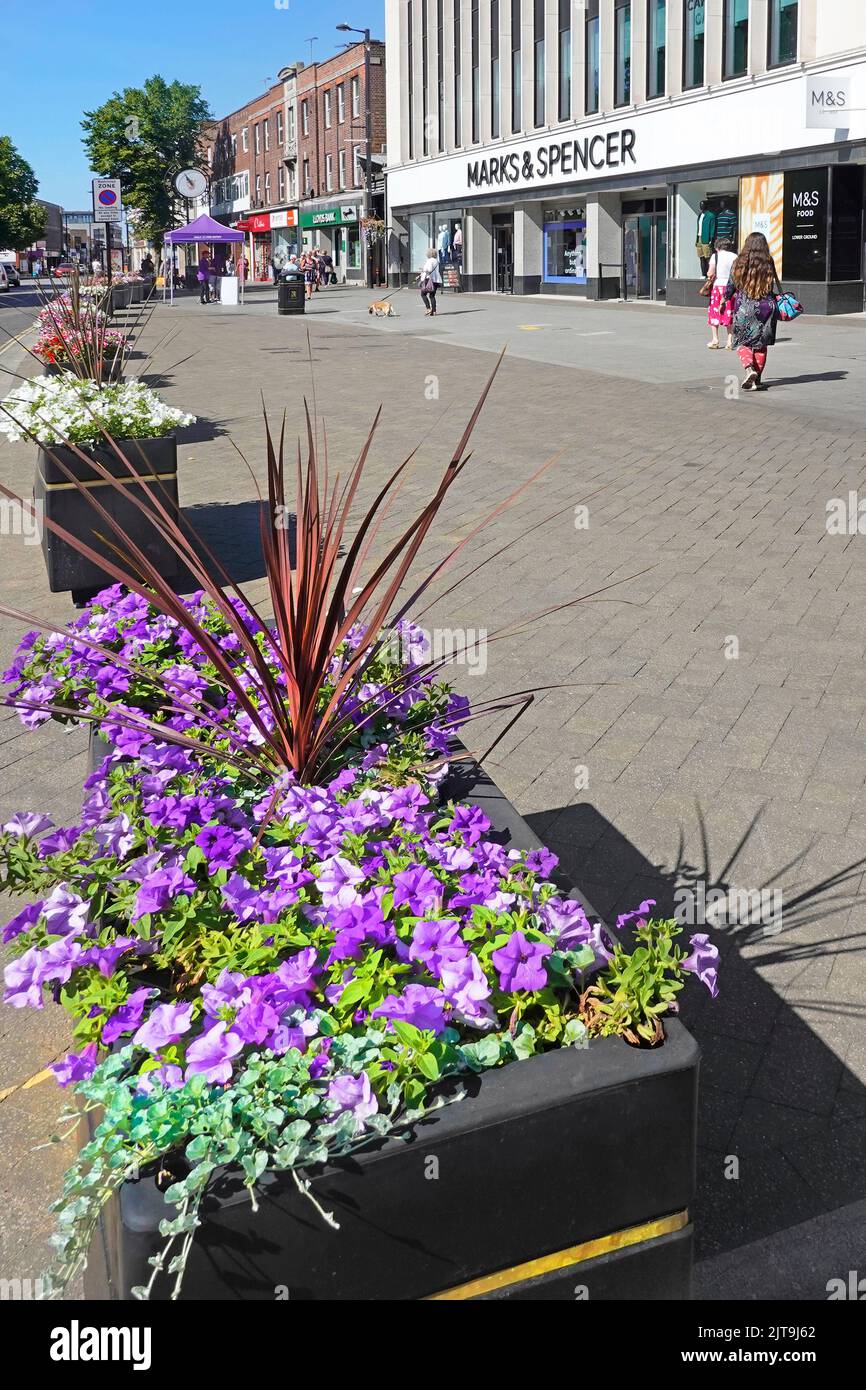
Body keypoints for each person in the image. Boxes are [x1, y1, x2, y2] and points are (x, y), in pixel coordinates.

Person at [722, 232, 782, 392]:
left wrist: (725, 298)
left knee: (743, 341)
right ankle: (758, 379)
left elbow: (730, 286)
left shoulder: (739, 262)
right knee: (761, 345)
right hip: (766, 308)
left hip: (744, 307)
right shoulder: (768, 261)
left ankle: (750, 370)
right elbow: (771, 285)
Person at [705, 236, 737, 351]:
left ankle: (715, 340)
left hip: (718, 287)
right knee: (729, 312)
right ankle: (730, 341)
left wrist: (710, 274)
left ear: (717, 247)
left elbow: (710, 273)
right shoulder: (734, 256)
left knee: (715, 311)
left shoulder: (715, 256)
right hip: (731, 287)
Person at [419, 247, 442, 316]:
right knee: (432, 296)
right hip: (436, 280)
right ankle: (434, 311)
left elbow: (428, 269)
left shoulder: (429, 260)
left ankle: (428, 308)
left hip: (429, 279)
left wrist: (423, 269)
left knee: (423, 294)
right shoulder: (436, 261)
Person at [695, 201, 716, 277]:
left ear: (706, 206)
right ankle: (703, 274)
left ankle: (710, 274)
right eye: (700, 205)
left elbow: (712, 228)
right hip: (699, 238)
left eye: (702, 205)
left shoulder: (711, 216)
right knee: (701, 257)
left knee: (708, 257)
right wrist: (697, 239)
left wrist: (711, 238)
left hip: (706, 238)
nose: (701, 206)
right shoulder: (700, 215)